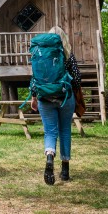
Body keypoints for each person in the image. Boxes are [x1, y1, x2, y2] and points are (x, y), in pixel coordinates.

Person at [30, 26, 79, 185]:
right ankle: (65, 171)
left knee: (50, 132)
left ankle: (50, 157)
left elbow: (34, 78)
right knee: (65, 130)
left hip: (45, 97)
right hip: (65, 97)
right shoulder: (67, 55)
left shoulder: (40, 53)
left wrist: (33, 97)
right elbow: (77, 78)